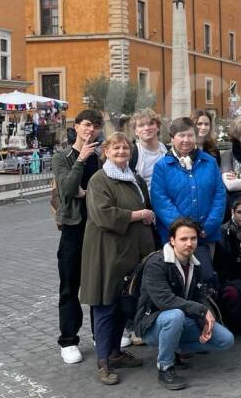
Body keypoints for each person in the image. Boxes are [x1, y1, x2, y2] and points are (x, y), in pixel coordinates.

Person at [80, 132, 156, 384]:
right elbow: (103, 215)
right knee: (105, 307)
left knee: (124, 304)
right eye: (116, 148)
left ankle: (115, 352)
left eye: (125, 148)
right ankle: (103, 361)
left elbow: (147, 211)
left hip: (131, 253)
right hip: (106, 254)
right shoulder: (99, 180)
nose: (122, 152)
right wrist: (138, 214)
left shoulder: (134, 179)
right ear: (106, 152)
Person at [135, 218, 235, 390]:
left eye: (193, 238)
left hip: (181, 319)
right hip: (151, 323)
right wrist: (201, 310)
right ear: (172, 240)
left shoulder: (194, 264)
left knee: (226, 340)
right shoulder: (156, 263)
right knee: (175, 315)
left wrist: (206, 318)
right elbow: (164, 300)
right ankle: (165, 367)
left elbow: (199, 294)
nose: (189, 243)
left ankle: (176, 349)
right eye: (183, 239)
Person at [52, 109, 103, 364]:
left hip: (98, 228)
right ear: (77, 126)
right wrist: (81, 159)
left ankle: (100, 334)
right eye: (86, 125)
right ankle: (69, 340)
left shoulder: (102, 158)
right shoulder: (62, 157)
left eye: (95, 125)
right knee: (70, 287)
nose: (90, 129)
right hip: (73, 228)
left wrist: (89, 193)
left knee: (98, 284)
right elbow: (68, 189)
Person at [151, 117, 226, 289]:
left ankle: (207, 313)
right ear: (172, 138)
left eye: (190, 135)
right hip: (177, 238)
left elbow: (219, 195)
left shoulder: (209, 162)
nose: (186, 140)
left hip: (206, 235)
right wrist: (184, 231)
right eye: (181, 136)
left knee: (205, 280)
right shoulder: (162, 166)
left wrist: (209, 225)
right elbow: (161, 200)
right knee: (178, 282)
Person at [212, 198, 241, 333]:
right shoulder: (222, 232)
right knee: (232, 294)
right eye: (239, 212)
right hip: (229, 279)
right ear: (232, 212)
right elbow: (218, 262)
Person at [129, 109, 166, 189]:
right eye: (141, 125)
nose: (147, 128)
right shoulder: (131, 154)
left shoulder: (169, 151)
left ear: (158, 127)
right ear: (135, 131)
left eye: (151, 123)